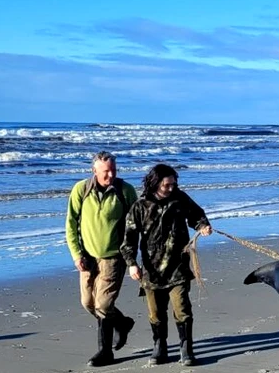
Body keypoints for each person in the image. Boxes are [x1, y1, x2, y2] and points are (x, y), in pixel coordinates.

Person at [121, 163, 213, 366]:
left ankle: (186, 349)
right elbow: (129, 239)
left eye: (174, 183)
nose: (171, 188)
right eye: (167, 185)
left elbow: (196, 215)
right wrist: (132, 264)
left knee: (182, 309)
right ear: (155, 183)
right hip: (151, 271)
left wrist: (203, 225)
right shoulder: (140, 206)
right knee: (155, 312)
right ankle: (159, 346)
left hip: (178, 267)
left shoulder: (180, 199)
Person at [65, 151, 138, 367]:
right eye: (105, 171)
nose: (110, 175)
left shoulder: (125, 191)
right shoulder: (81, 189)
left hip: (114, 257)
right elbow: (71, 224)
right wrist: (76, 254)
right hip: (87, 257)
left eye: (113, 170)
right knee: (88, 303)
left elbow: (135, 226)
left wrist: (132, 257)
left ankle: (105, 352)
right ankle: (122, 323)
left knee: (104, 305)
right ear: (94, 170)